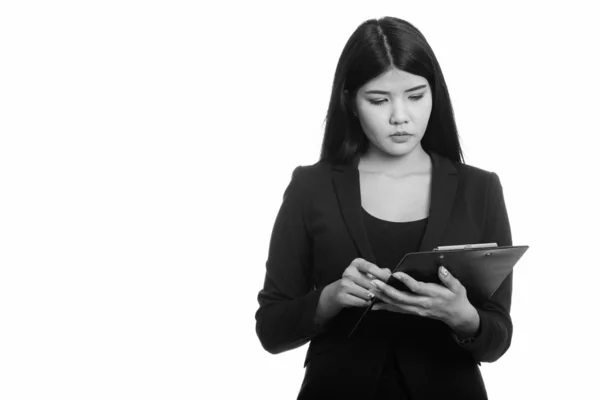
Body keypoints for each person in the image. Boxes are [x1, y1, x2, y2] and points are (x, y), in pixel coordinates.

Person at [255, 16, 513, 400]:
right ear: (350, 102)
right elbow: (271, 330)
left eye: (416, 95)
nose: (400, 116)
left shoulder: (480, 188)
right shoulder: (312, 186)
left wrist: (465, 318)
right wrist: (330, 298)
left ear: (435, 95)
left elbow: (498, 337)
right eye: (378, 100)